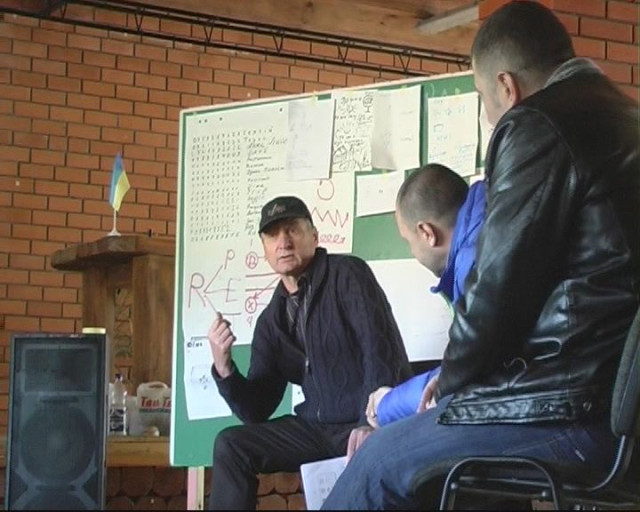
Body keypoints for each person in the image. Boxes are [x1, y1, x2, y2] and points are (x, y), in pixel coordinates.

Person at [322, 1, 640, 509]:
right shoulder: (627, 119)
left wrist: (449, 382)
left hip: (574, 411)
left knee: (375, 462)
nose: (488, 115)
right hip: (621, 415)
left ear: (507, 87)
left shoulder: (536, 123)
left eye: (481, 97)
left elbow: (496, 291)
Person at [206, 195, 412, 510]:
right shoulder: (272, 320)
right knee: (231, 444)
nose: (283, 242)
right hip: (316, 429)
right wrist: (224, 368)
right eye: (272, 235)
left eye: (292, 229)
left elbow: (381, 350)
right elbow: (256, 410)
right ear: (265, 249)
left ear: (314, 237)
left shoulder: (348, 274)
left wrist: (372, 421)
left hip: (364, 422)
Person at [364, 164, 486, 432]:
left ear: (427, 233)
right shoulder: (493, 225)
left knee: (381, 453)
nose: (413, 252)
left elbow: (467, 374)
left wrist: (386, 404)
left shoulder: (473, 263)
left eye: (408, 241)